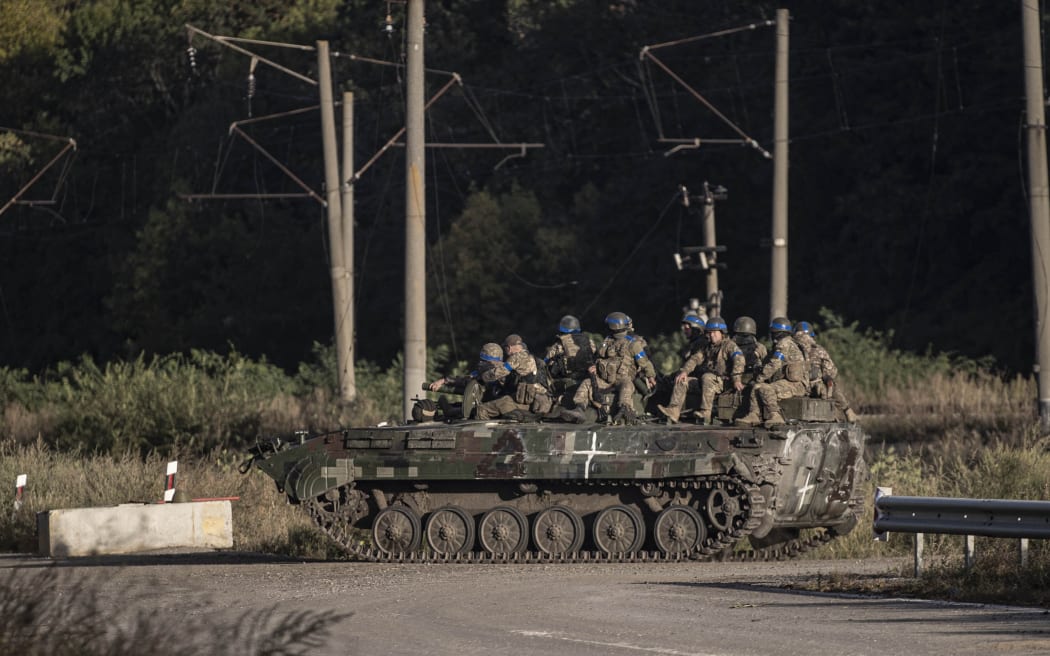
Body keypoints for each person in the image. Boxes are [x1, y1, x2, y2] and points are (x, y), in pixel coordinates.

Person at [658, 316, 745, 424]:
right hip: (707, 381)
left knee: (707, 377)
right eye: (709, 332)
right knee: (682, 380)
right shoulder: (707, 347)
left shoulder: (729, 345)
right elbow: (695, 359)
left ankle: (705, 412)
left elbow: (739, 360)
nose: (711, 335)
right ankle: (673, 411)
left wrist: (736, 379)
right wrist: (684, 372)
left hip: (723, 382)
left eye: (714, 332)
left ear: (722, 332)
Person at [573, 311, 656, 424]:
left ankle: (624, 410)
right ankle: (579, 408)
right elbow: (597, 358)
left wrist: (650, 376)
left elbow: (645, 363)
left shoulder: (633, 344)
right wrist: (593, 367)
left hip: (622, 379)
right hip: (604, 379)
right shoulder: (606, 342)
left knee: (627, 386)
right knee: (587, 383)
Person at [735, 317, 808, 428]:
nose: (772, 336)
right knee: (756, 387)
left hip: (797, 385)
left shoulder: (784, 344)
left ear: (778, 333)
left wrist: (759, 378)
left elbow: (774, 364)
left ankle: (775, 415)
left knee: (764, 388)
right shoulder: (785, 344)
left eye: (773, 333)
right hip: (788, 382)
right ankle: (754, 415)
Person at [476, 334, 554, 421]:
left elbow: (499, 373)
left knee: (482, 409)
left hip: (528, 401)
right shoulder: (535, 359)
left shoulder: (517, 357)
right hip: (542, 402)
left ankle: (484, 433)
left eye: (505, 348)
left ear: (508, 348)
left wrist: (482, 376)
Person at [793, 321, 859, 423]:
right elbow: (831, 370)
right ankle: (848, 412)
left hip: (794, 387)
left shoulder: (789, 348)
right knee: (832, 384)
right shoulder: (818, 349)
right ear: (811, 336)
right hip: (814, 387)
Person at [426, 342, 505, 420]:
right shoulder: (502, 370)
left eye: (483, 361)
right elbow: (467, 380)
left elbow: (469, 381)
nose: (480, 363)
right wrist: (444, 380)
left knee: (451, 411)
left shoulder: (496, 373)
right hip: (490, 409)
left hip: (491, 411)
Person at [543, 314, 596, 408]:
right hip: (587, 376)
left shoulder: (560, 342)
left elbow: (545, 362)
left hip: (568, 377)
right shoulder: (589, 341)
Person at [731, 315, 767, 382]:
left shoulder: (760, 347)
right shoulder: (730, 346)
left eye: (746, 336)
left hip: (753, 379)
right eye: (741, 335)